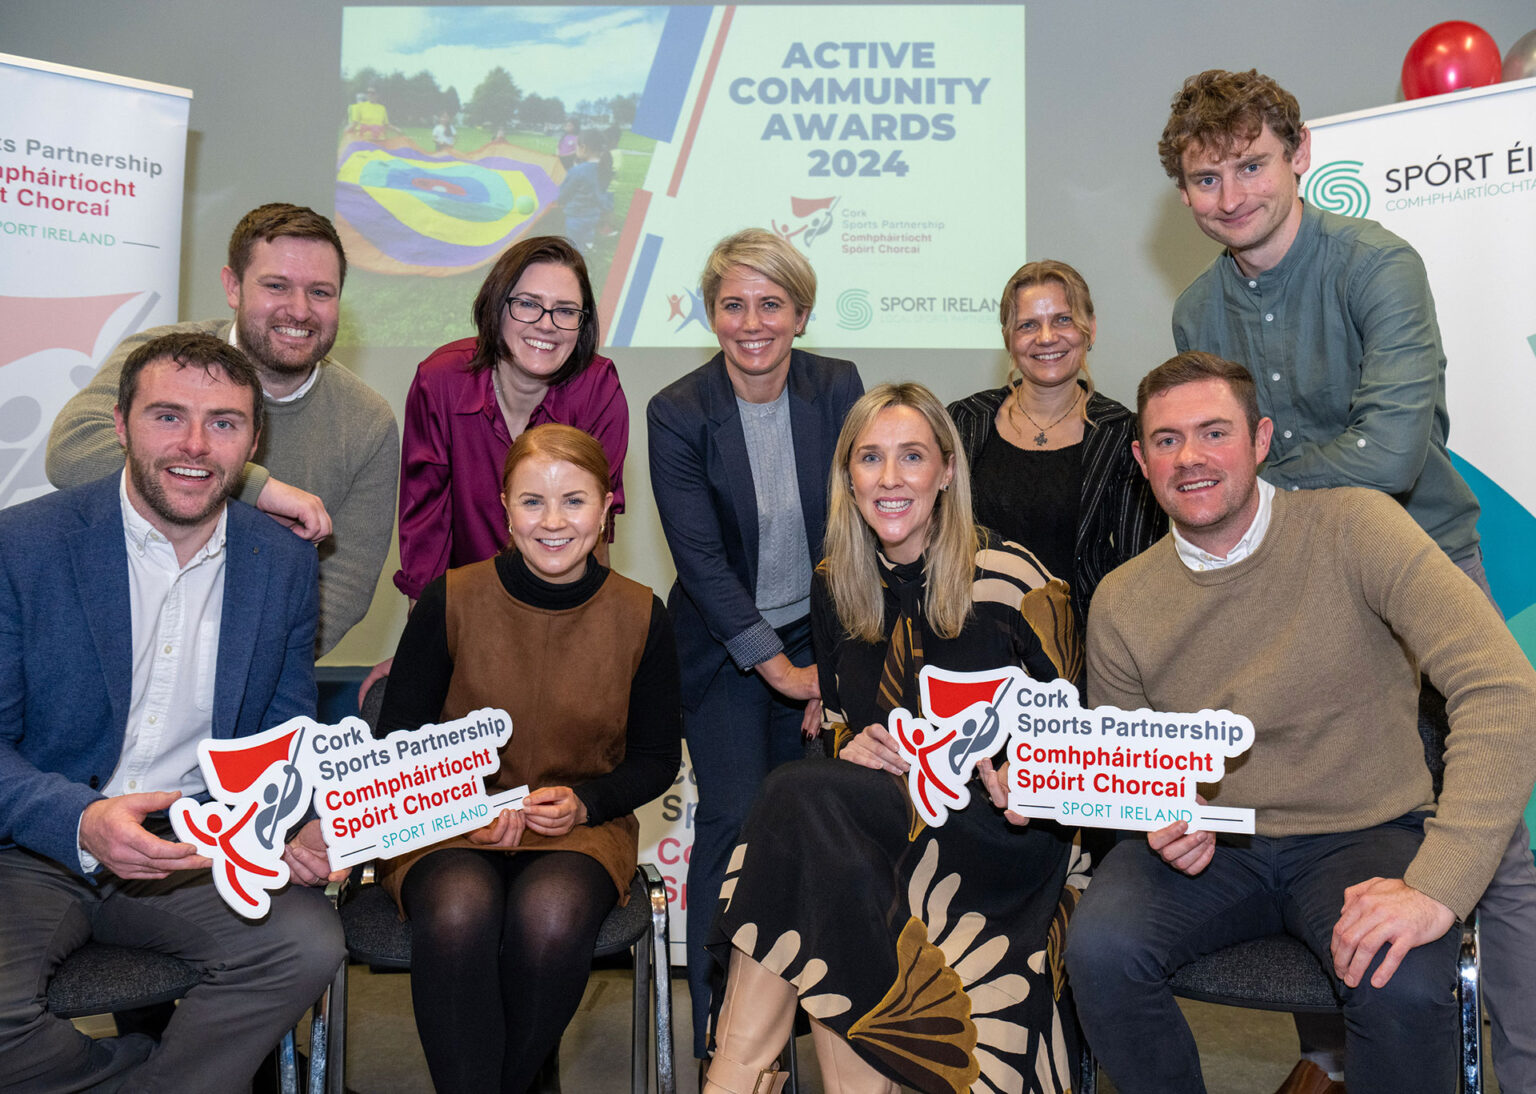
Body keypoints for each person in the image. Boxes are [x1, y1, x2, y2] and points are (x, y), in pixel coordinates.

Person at [1160, 68, 1536, 1093]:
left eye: (1250, 164)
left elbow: (1392, 451)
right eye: (1205, 177)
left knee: (1492, 835)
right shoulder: (1198, 305)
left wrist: (1260, 484)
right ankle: (1330, 1061)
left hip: (1421, 564)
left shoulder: (1378, 263)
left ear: (1297, 156)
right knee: (1309, 815)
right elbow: (1211, 479)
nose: (1231, 194)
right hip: (1288, 595)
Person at [1064, 353, 1536, 1094]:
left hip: (1364, 828)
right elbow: (1132, 771)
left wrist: (1438, 887)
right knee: (1099, 952)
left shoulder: (1359, 528)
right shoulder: (1123, 600)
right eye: (1166, 440)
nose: (1190, 458)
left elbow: (1503, 687)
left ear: (1260, 440)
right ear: (1140, 459)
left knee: (1402, 979)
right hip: (1214, 846)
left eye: (1214, 432)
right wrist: (1156, 817)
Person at [703, 383, 1085, 1094]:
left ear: (946, 470)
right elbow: (848, 720)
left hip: (999, 840)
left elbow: (1081, 742)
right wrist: (846, 750)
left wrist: (1024, 761)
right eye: (870, 458)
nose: (889, 478)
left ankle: (734, 1076)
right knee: (817, 825)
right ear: (848, 475)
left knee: (798, 803)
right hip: (885, 828)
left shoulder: (1015, 581)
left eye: (911, 456)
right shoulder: (836, 584)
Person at [0, 331, 345, 1091]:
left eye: (223, 422)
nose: (194, 445)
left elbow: (283, 737)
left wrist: (290, 821)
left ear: (254, 440)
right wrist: (83, 821)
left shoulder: (280, 562)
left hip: (194, 846)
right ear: (120, 423)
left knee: (306, 946)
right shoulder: (23, 545)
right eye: (167, 416)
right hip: (36, 845)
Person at [373, 423, 680, 1094]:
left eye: (574, 501)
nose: (553, 521)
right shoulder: (449, 600)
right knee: (457, 912)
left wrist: (584, 802)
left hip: (579, 827)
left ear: (606, 508)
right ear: (504, 506)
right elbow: (395, 745)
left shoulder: (641, 616)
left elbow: (656, 761)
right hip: (446, 820)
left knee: (550, 919)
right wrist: (466, 809)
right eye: (533, 501)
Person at [647, 228, 863, 1061]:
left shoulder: (837, 387)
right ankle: (718, 1025)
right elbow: (698, 559)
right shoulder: (678, 410)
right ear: (711, 314)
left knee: (817, 829)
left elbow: (856, 532)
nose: (752, 322)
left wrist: (831, 672)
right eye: (733, 304)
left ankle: (817, 1012)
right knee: (736, 822)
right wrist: (782, 671)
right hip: (726, 647)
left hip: (824, 631)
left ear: (801, 314)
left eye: (771, 304)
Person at [46, 202, 399, 658]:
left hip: (244, 661)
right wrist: (258, 487)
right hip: (103, 642)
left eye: (321, 292)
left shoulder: (368, 422)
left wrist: (242, 662)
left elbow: (341, 589)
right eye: (276, 286)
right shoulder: (160, 358)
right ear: (233, 286)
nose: (299, 310)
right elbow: (71, 453)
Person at [372, 235, 626, 700]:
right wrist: (424, 647)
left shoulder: (598, 387)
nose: (547, 325)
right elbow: (426, 530)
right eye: (528, 304)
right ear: (496, 305)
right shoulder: (440, 382)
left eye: (566, 311)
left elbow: (591, 534)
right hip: (464, 623)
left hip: (563, 617)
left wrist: (591, 651)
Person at [948, 259, 1164, 636]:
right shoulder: (962, 421)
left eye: (1063, 320)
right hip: (972, 639)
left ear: (1090, 329)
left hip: (1085, 649)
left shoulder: (1121, 432)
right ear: (1008, 338)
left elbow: (1141, 566)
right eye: (1028, 324)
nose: (1046, 337)